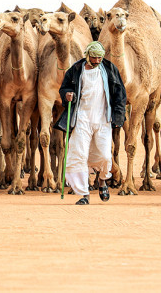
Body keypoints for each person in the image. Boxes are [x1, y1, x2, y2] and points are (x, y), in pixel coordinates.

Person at [55, 41, 127, 205]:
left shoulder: (109, 69)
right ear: (88, 56)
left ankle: (102, 181)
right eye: (94, 57)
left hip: (103, 119)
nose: (97, 60)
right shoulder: (76, 70)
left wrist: (118, 117)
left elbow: (120, 94)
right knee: (79, 155)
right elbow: (64, 88)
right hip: (82, 119)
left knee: (104, 155)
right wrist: (67, 95)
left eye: (100, 57)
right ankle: (83, 194)